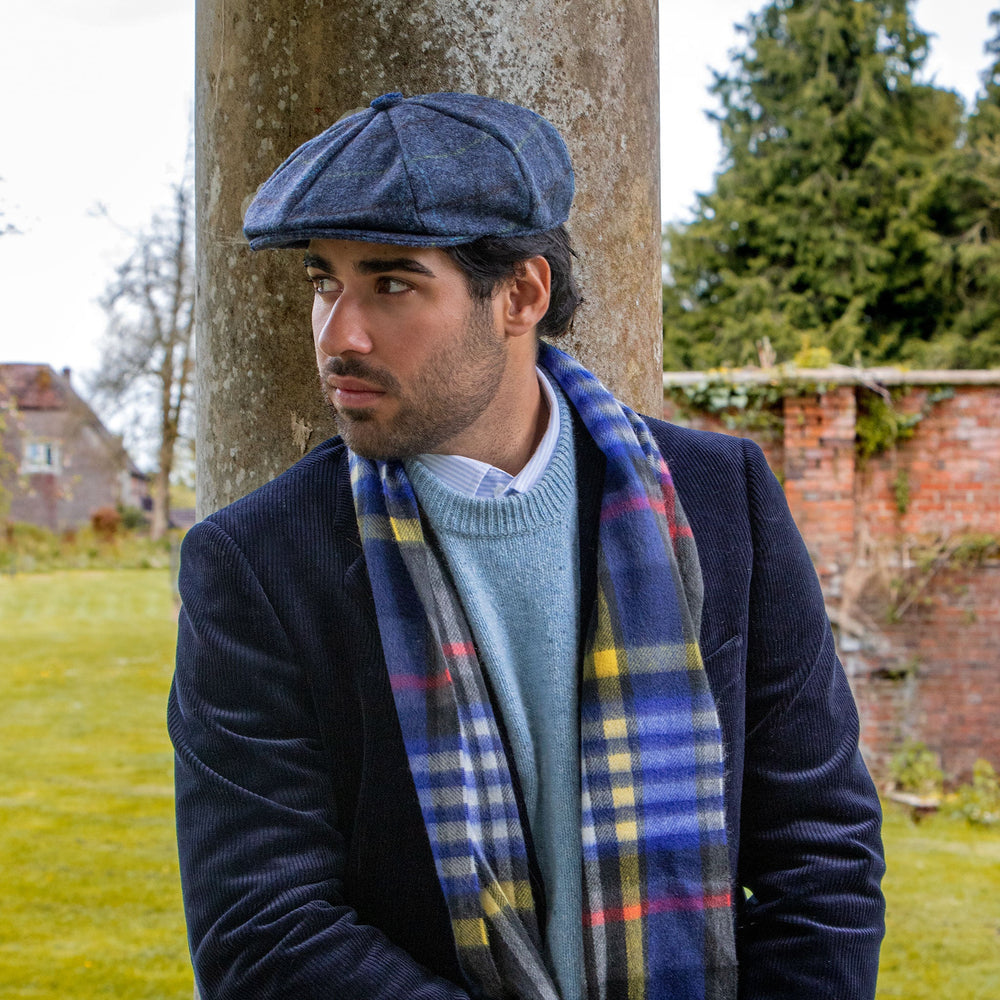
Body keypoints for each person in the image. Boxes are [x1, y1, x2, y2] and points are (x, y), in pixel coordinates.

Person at [169, 91, 885, 1000]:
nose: (337, 334)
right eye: (324, 281)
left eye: (390, 283)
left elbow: (820, 851)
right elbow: (263, 928)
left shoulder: (722, 501)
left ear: (521, 292)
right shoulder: (258, 562)